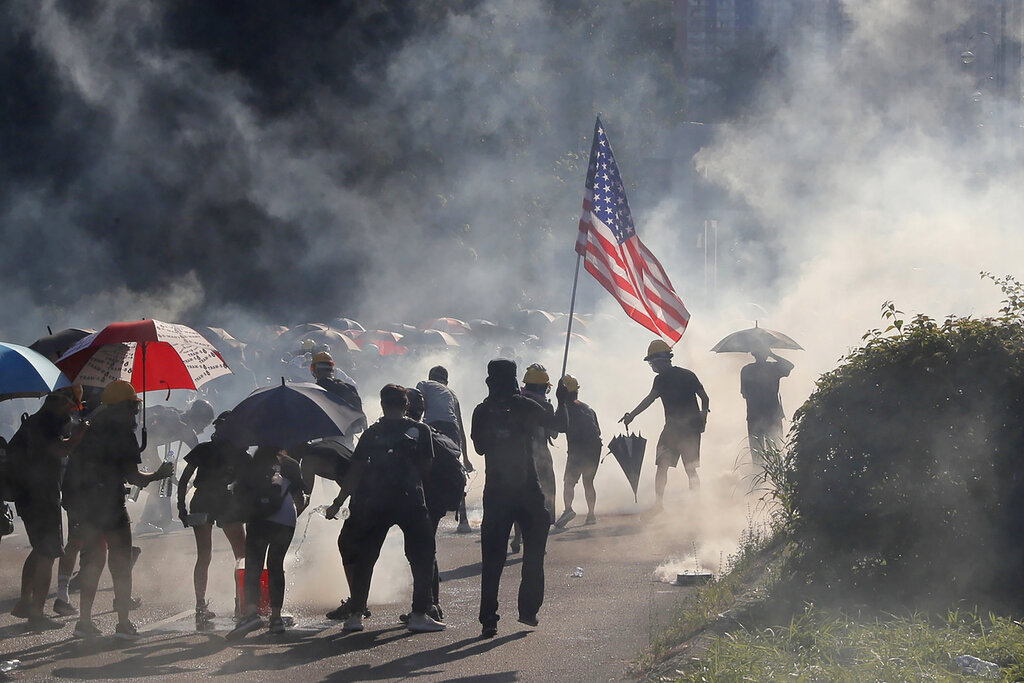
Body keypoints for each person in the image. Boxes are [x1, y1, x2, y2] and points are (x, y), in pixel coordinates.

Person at [324, 384, 444, 634]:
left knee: (366, 557)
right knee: (422, 557)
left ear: (382, 404)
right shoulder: (420, 430)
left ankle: (356, 615)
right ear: (407, 405)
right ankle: (419, 614)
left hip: (375, 501)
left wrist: (338, 501)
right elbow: (427, 468)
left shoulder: (372, 433)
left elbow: (355, 470)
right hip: (411, 500)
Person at [61, 380, 174, 639]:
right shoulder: (122, 433)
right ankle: (124, 624)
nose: (134, 414)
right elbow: (135, 478)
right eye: (133, 408)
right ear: (125, 407)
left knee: (92, 563)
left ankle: (84, 623)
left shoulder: (89, 427)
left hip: (84, 504)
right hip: (109, 504)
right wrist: (159, 473)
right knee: (121, 563)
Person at [472, 359, 558, 638]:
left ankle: (488, 619)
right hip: (529, 491)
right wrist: (561, 400)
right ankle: (528, 611)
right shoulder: (527, 406)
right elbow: (559, 427)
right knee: (534, 555)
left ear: (489, 380)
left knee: (492, 560)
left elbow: (480, 447)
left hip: (496, 492)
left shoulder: (482, 411)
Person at [8, 388, 86, 631]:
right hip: (40, 496)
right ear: (64, 402)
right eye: (74, 405)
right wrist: (79, 434)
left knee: (41, 549)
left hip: (29, 495)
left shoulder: (36, 421)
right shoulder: (46, 422)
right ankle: (36, 613)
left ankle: (24, 602)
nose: (74, 411)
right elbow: (59, 450)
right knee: (49, 553)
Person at [177, 411, 249, 629]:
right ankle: (240, 605)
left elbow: (185, 478)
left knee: (208, 555)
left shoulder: (205, 449)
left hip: (205, 500)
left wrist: (181, 505)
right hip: (225, 500)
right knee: (240, 556)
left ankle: (203, 606)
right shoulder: (239, 453)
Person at [622, 340, 709, 515]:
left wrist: (632, 415)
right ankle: (693, 505)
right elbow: (705, 398)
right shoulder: (688, 374)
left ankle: (661, 504)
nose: (651, 366)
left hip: (674, 431)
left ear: (660, 360)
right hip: (688, 429)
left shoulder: (661, 379)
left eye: (651, 362)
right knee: (689, 469)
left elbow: (649, 399)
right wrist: (703, 417)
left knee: (663, 466)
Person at [227, 445, 305, 639]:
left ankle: (252, 614)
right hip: (286, 521)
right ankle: (276, 619)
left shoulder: (250, 469)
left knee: (254, 567)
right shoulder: (290, 466)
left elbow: (238, 497)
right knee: (275, 566)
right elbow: (300, 499)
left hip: (259, 520)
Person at [136, 400, 215, 534]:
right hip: (141, 446)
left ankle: (166, 520)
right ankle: (144, 523)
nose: (204, 427)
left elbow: (198, 452)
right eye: (205, 422)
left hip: (144, 446)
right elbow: (149, 439)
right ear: (199, 418)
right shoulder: (179, 423)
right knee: (159, 482)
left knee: (164, 480)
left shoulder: (180, 419)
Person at [416, 365, 474, 533]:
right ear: (446, 381)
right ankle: (463, 519)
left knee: (427, 467)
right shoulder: (452, 393)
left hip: (432, 428)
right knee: (456, 470)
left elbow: (419, 406)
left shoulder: (424, 384)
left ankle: (424, 510)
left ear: (430, 376)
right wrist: (466, 457)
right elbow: (460, 426)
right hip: (452, 430)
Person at [552, 375, 602, 528]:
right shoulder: (588, 408)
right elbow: (598, 431)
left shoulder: (564, 408)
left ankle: (568, 510)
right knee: (588, 482)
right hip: (594, 448)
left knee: (569, 482)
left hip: (578, 450)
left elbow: (558, 429)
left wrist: (559, 403)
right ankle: (591, 514)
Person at [740, 344, 794, 466]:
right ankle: (777, 479)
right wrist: (772, 354)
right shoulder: (773, 368)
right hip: (772, 414)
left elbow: (744, 393)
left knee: (757, 452)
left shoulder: (746, 370)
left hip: (754, 414)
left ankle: (759, 479)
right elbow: (790, 366)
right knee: (776, 449)